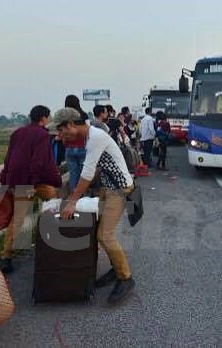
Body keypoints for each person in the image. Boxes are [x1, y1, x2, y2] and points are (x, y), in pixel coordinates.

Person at [50, 108, 136, 304]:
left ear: (71, 125)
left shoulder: (95, 137)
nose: (60, 135)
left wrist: (72, 202)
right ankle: (117, 267)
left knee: (104, 235)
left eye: (61, 130)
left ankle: (125, 277)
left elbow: (87, 173)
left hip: (119, 189)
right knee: (100, 230)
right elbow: (95, 168)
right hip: (109, 187)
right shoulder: (90, 137)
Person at [0, 105, 62, 274]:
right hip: (35, 181)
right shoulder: (42, 134)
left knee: (17, 218)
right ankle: (55, 240)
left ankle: (6, 256)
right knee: (54, 203)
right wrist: (32, 184)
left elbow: (8, 157)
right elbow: (38, 161)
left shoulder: (18, 133)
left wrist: (6, 179)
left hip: (17, 180)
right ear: (44, 118)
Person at [64, 95, 88, 191]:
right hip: (82, 146)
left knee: (73, 174)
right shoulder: (83, 115)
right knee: (83, 175)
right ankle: (83, 198)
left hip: (69, 148)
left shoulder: (64, 117)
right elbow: (87, 131)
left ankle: (74, 198)